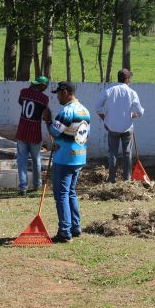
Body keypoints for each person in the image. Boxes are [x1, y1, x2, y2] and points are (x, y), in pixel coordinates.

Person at [48, 81, 91, 243]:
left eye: (58, 93)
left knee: (61, 195)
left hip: (65, 158)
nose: (57, 97)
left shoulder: (67, 111)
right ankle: (76, 227)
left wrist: (47, 120)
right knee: (71, 192)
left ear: (65, 92)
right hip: (79, 157)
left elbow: (54, 132)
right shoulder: (85, 110)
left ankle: (65, 232)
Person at [95, 68, 145, 183]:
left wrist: (105, 120)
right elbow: (140, 112)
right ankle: (126, 180)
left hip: (112, 127)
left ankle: (112, 180)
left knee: (113, 154)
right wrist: (133, 115)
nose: (130, 80)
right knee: (127, 153)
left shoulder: (109, 90)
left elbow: (97, 108)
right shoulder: (132, 92)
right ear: (127, 79)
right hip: (127, 128)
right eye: (130, 78)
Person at [15, 76, 51, 196]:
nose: (46, 88)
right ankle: (37, 185)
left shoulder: (23, 92)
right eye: (45, 86)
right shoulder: (44, 99)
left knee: (22, 160)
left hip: (22, 131)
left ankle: (23, 187)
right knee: (36, 160)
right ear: (41, 85)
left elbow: (21, 102)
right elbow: (45, 115)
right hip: (35, 133)